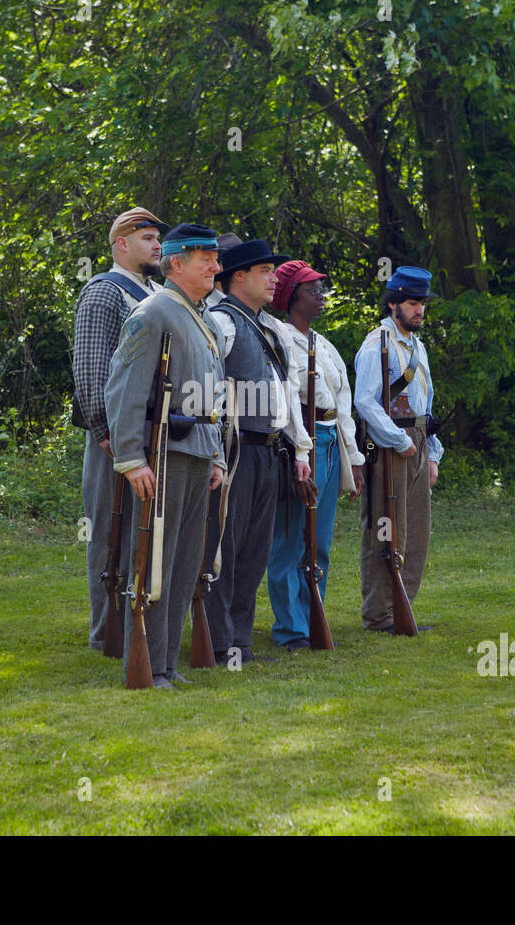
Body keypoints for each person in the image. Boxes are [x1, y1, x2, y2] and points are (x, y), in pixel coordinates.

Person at [103, 223, 227, 688]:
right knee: (155, 560)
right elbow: (124, 389)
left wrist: (215, 456)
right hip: (164, 454)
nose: (216, 266)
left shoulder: (202, 315)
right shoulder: (152, 312)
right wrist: (132, 458)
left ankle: (166, 663)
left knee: (183, 563)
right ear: (177, 263)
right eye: (206, 259)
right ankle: (150, 664)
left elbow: (210, 395)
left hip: (195, 451)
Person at [202, 239, 313, 664]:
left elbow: (286, 394)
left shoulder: (270, 327)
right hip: (235, 450)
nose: (273, 278)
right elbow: (208, 393)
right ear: (239, 277)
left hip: (270, 451)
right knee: (224, 549)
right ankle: (216, 641)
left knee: (254, 551)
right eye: (265, 270)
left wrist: (299, 449)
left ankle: (240, 642)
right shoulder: (220, 322)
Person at [72, 206, 168, 653]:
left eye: (157, 238)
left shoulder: (156, 292)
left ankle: (139, 627)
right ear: (120, 244)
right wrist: (106, 432)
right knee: (110, 535)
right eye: (147, 238)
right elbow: (91, 369)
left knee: (145, 532)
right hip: (115, 438)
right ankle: (106, 634)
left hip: (153, 432)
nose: (157, 245)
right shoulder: (104, 292)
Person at [265, 260, 365, 650]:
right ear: (291, 297)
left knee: (319, 542)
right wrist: (299, 452)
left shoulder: (324, 345)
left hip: (330, 441)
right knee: (291, 538)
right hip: (298, 443)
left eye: (321, 289)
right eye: (312, 290)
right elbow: (284, 402)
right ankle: (291, 630)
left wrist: (354, 460)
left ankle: (313, 616)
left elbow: (344, 404)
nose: (320, 296)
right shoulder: (279, 337)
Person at [354, 266, 443, 633]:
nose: (419, 309)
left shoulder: (416, 346)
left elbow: (427, 404)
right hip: (392, 444)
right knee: (386, 530)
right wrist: (400, 440)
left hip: (416, 442)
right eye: (412, 302)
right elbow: (366, 402)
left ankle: (402, 607)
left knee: (416, 532)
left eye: (422, 302)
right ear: (393, 304)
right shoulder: (377, 345)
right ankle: (379, 614)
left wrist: (432, 452)